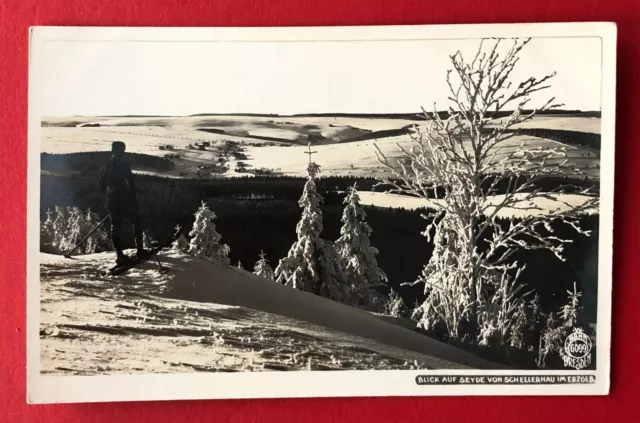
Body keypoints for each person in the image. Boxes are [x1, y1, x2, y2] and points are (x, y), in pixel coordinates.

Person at [100, 141, 146, 264]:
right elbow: (129, 185)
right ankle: (140, 250)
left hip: (113, 202)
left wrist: (111, 197)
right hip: (126, 202)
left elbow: (102, 187)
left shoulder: (106, 166)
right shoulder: (123, 166)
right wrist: (133, 197)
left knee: (116, 227)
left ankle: (119, 255)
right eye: (122, 150)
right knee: (137, 222)